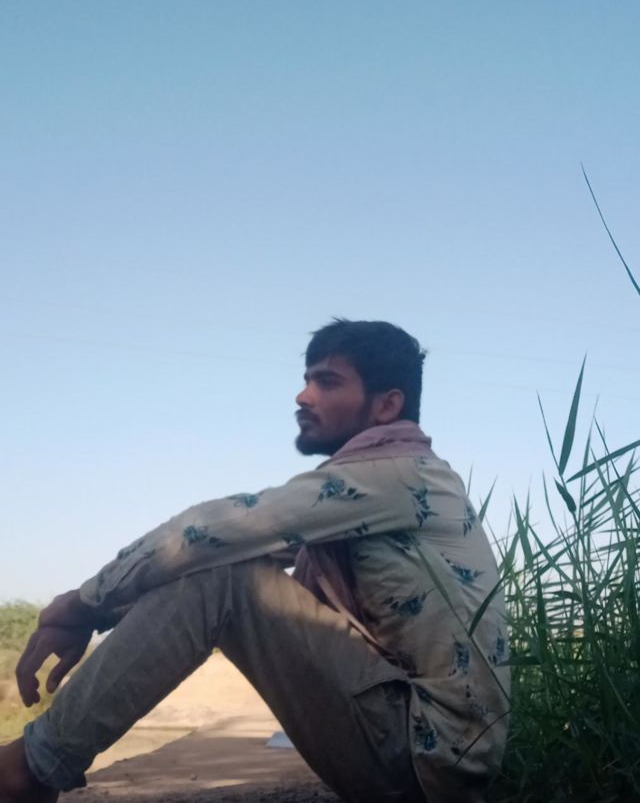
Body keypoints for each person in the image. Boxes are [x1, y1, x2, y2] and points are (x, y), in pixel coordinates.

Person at [0, 319, 510, 803]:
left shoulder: (395, 476)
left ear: (386, 405)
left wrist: (82, 605)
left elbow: (207, 533)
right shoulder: (394, 482)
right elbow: (218, 561)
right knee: (226, 569)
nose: (303, 396)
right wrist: (102, 614)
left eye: (327, 382)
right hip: (425, 754)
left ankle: (29, 770)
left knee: (226, 573)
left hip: (423, 758)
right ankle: (37, 763)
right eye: (306, 380)